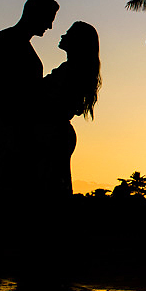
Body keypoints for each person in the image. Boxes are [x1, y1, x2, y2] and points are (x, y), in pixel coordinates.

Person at [0, 0, 59, 196]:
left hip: (20, 131)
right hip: (10, 130)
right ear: (34, 13)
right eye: (49, 18)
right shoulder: (6, 41)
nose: (51, 26)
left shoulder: (17, 44)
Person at [38, 21, 100, 196]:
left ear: (77, 42)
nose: (62, 36)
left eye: (68, 33)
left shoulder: (72, 72)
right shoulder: (72, 70)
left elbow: (52, 102)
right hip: (57, 133)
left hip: (54, 135)